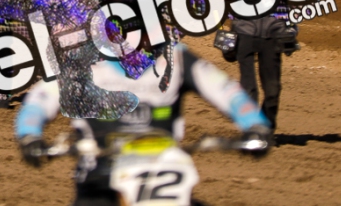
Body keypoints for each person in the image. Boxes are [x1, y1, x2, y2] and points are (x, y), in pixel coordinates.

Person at [16, 41, 271, 198]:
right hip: (100, 181)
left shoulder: (176, 58)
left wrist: (255, 124)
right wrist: (29, 134)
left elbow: (227, 91)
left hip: (164, 175)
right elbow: (40, 100)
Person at [230, 0, 293, 131]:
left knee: (273, 91)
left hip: (272, 34)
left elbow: (288, 2)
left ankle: (267, 129)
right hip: (244, 32)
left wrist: (289, 30)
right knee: (249, 89)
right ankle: (251, 130)